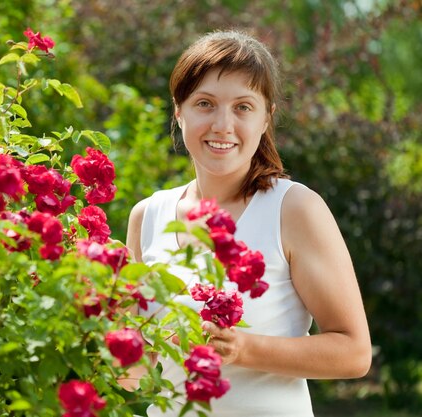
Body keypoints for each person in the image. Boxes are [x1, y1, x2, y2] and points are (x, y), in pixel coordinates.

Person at [124, 29, 372, 416]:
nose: (223, 124)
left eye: (243, 107)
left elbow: (354, 352)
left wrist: (243, 349)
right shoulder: (148, 216)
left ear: (266, 118)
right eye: (204, 103)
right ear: (179, 110)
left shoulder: (294, 209)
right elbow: (137, 372)